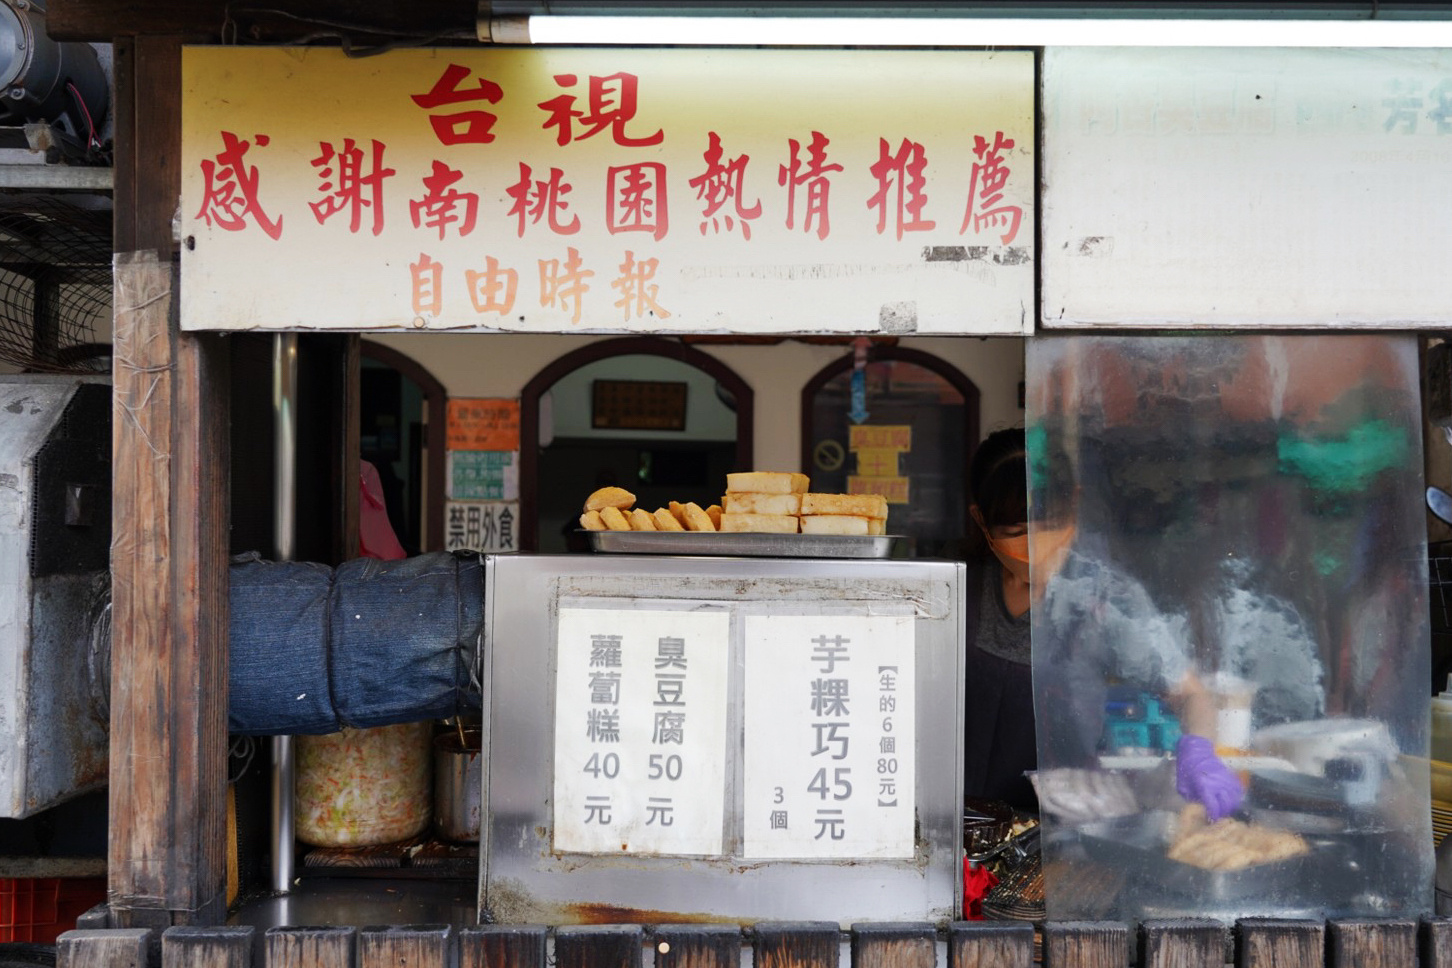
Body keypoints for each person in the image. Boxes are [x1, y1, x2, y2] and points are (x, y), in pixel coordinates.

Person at [962, 427, 1244, 821]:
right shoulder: (956, 589)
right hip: (961, 822)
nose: (1037, 549)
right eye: (1017, 533)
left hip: (1065, 824)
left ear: (1074, 505)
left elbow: (1190, 694)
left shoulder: (1107, 598)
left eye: (1051, 526)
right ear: (981, 522)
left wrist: (1198, 751)